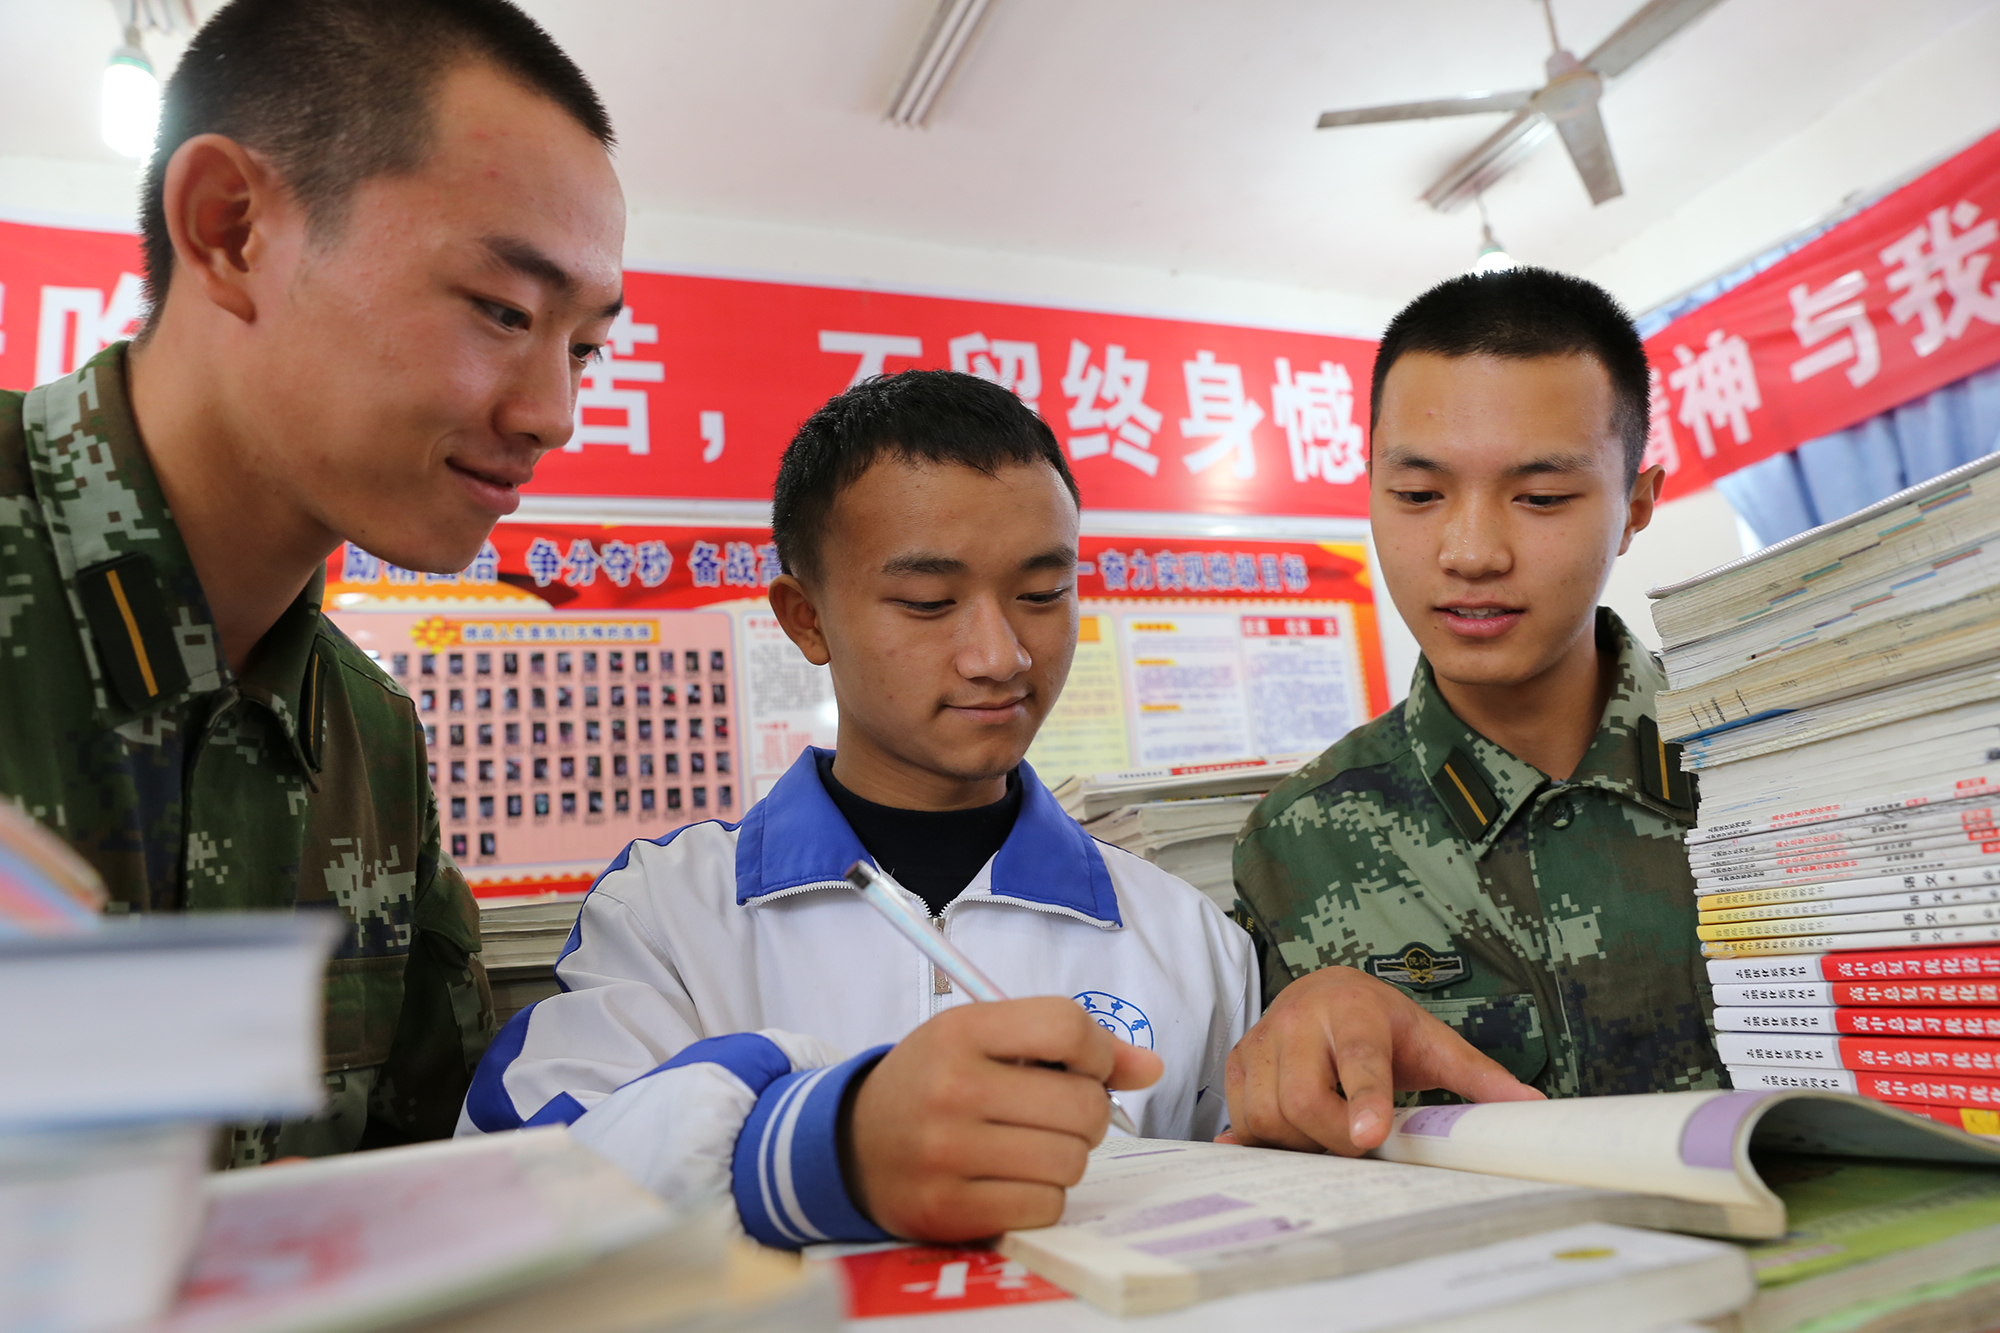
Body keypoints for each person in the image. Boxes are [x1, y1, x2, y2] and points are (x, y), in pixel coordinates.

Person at [0, 0, 627, 1162]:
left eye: (582, 346)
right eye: (501, 310)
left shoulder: (370, 741)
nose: (552, 414)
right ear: (230, 229)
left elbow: (411, 1192)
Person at [1229, 267, 1723, 1156]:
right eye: (1419, 495)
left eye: (1540, 497)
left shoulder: (1771, 762)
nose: (1470, 552)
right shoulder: (1296, 845)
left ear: (1635, 508)